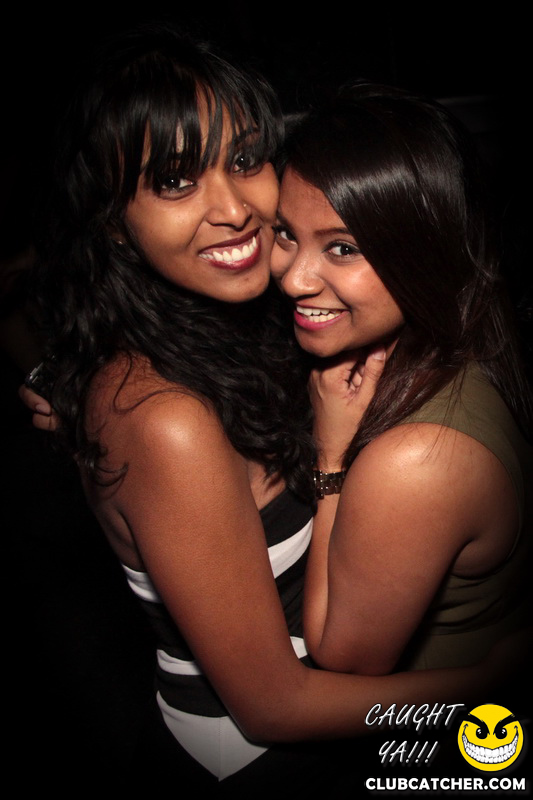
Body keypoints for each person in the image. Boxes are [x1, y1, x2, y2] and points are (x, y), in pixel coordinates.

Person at [21, 26, 521, 790]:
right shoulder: (163, 418)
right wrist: (485, 688)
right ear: (114, 222)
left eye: (245, 160)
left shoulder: (253, 319)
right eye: (175, 181)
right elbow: (274, 709)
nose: (233, 208)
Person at [269, 84, 532, 679]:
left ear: (424, 251)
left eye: (342, 248)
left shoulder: (415, 460)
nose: (293, 278)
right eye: (286, 232)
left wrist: (332, 458)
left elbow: (342, 657)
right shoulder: (470, 345)